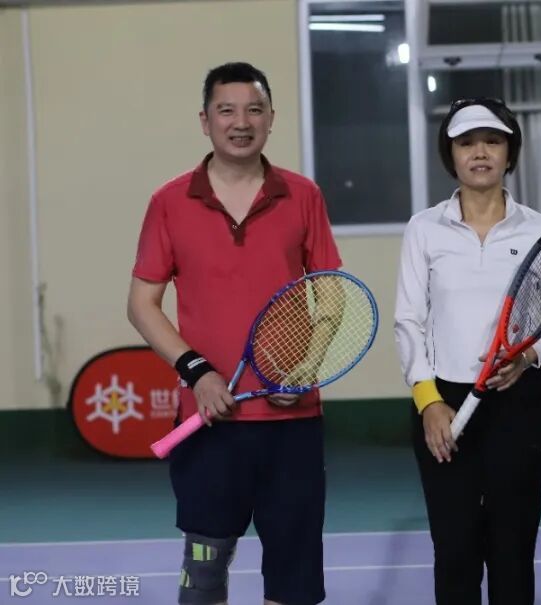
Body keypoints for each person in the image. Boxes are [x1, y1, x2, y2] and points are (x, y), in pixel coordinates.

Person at [127, 62, 341, 605]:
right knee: (203, 576)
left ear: (271, 119)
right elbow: (142, 305)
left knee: (293, 582)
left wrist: (307, 366)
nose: (240, 122)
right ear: (206, 121)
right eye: (226, 111)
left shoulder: (303, 195)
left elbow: (332, 295)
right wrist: (197, 372)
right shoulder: (169, 202)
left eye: (253, 110)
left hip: (293, 425)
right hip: (207, 423)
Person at [393, 97, 541, 605]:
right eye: (467, 143)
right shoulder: (424, 228)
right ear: (450, 154)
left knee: (512, 552)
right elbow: (408, 320)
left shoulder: (540, 231)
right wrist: (428, 402)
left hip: (518, 404)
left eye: (492, 142)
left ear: (509, 153)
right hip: (444, 405)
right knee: (454, 551)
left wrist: (528, 357)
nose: (480, 153)